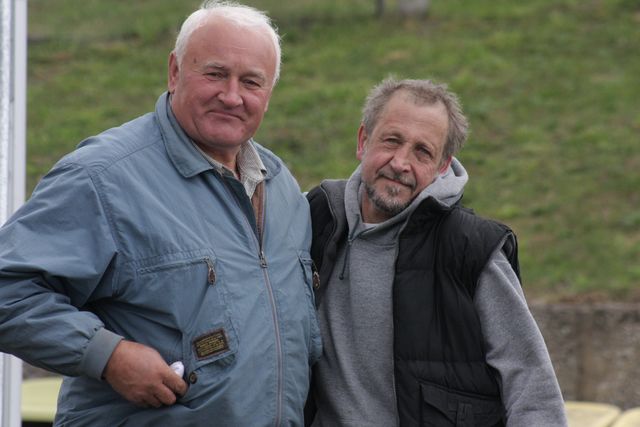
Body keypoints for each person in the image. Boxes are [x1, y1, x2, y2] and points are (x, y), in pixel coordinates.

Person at [0, 1, 321, 425]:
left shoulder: (282, 191)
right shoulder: (103, 178)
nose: (232, 96)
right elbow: (8, 289)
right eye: (215, 74)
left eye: (251, 82)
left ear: (269, 93)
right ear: (174, 71)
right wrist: (108, 355)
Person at [305, 78, 567, 426]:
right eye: (392, 140)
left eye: (422, 152)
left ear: (443, 166)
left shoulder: (471, 250)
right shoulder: (315, 218)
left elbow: (532, 386)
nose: (400, 163)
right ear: (363, 141)